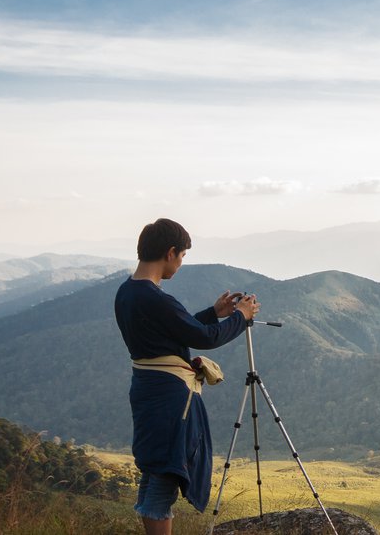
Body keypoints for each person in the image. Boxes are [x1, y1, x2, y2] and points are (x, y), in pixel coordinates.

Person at [114, 218, 259, 535]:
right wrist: (240, 317)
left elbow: (176, 331)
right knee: (164, 478)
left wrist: (213, 314)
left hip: (147, 389)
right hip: (170, 399)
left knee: (155, 471)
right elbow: (206, 339)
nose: (179, 264)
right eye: (181, 257)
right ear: (170, 252)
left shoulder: (127, 292)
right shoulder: (155, 297)